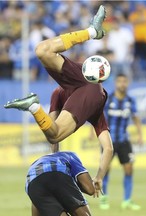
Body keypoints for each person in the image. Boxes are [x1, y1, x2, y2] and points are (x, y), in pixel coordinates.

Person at [4, 5, 113, 192]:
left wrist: (53, 160)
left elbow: (52, 134)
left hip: (82, 77)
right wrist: (99, 177)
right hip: (87, 81)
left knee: (42, 50)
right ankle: (33, 107)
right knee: (41, 50)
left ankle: (91, 32)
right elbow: (108, 148)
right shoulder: (94, 103)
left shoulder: (59, 93)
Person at [99, 73, 143, 211]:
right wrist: (93, 133)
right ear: (115, 83)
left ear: (128, 83)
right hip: (108, 141)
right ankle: (103, 198)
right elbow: (98, 115)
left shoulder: (130, 100)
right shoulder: (108, 98)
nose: (122, 84)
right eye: (119, 81)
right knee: (105, 169)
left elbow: (135, 117)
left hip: (124, 140)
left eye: (124, 81)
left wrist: (140, 135)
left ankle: (127, 201)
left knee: (129, 169)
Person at [26, 151, 96, 216]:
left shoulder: (37, 164)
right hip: (57, 175)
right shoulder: (70, 155)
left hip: (32, 185)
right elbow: (90, 189)